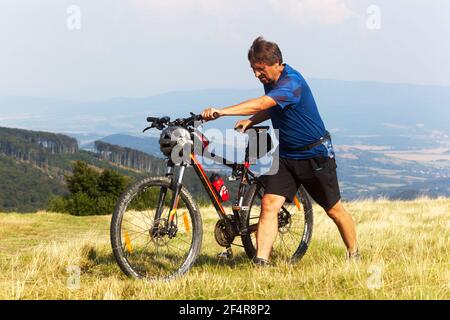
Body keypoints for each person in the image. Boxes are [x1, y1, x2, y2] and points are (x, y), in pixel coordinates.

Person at [201, 36, 359, 266]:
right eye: (253, 69)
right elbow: (273, 106)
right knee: (269, 204)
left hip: (315, 156)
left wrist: (222, 112)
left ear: (276, 63)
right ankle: (261, 263)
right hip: (286, 156)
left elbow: (264, 103)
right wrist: (252, 121)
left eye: (260, 69)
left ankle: (354, 254)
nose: (257, 75)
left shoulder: (292, 82)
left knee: (334, 210)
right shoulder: (272, 81)